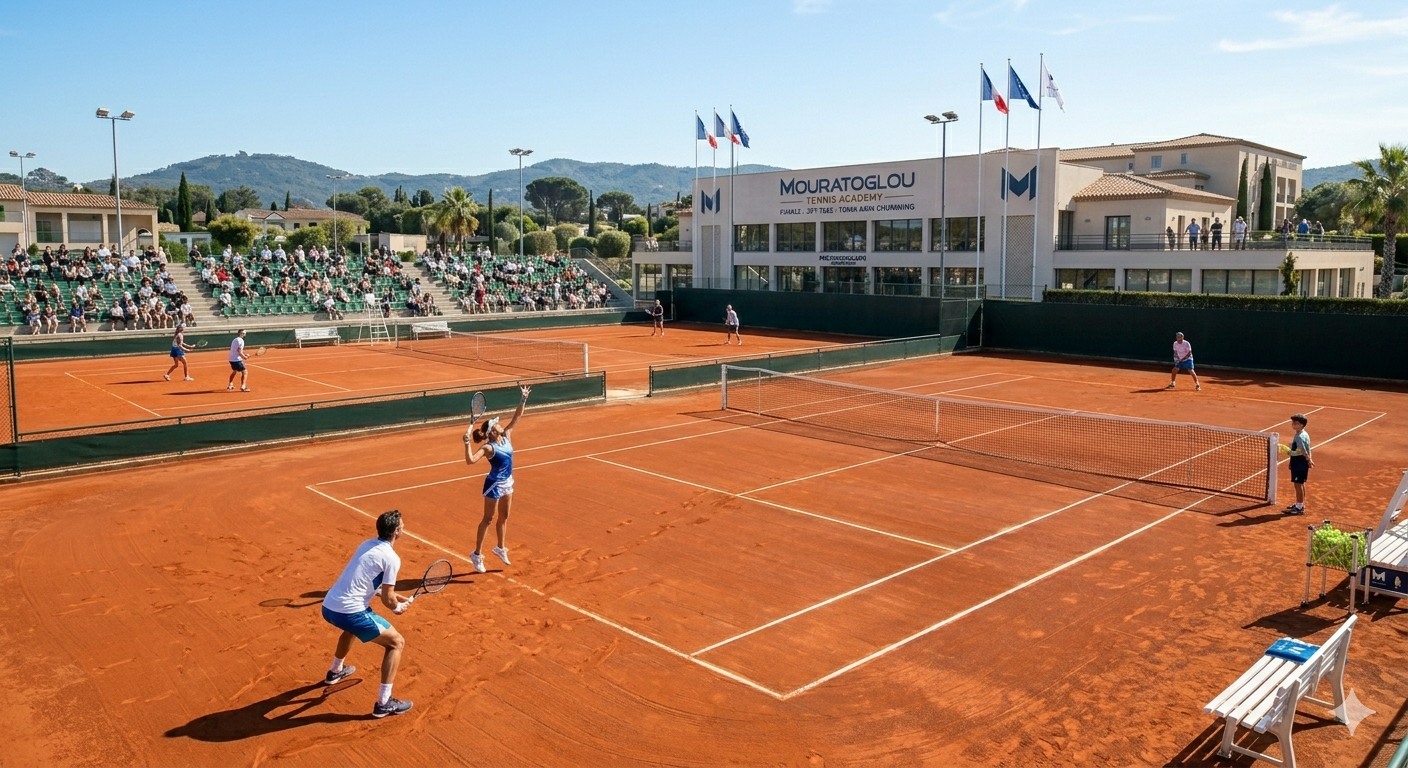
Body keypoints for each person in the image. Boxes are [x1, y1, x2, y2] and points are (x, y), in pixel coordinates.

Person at [320, 509, 414, 718]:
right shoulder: (391, 558)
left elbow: (365, 581)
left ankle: (335, 671)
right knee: (396, 642)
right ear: (397, 531)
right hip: (349, 612)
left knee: (351, 629)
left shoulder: (366, 544)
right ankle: (384, 703)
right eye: (403, 526)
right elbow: (388, 600)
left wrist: (389, 594)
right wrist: (397, 607)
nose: (404, 528)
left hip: (329, 607)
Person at [463, 385, 532, 574]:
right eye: (497, 424)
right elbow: (470, 461)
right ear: (492, 431)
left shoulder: (507, 435)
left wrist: (523, 399)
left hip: (508, 482)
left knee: (504, 517)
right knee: (488, 519)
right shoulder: (488, 448)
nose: (501, 424)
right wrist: (467, 444)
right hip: (494, 485)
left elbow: (517, 416)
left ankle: (500, 548)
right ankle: (476, 554)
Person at [1282, 414, 1313, 516]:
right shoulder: (1304, 434)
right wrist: (1308, 460)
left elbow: (1303, 450)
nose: (1293, 425)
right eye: (1293, 423)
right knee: (1301, 483)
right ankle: (1300, 504)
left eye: (1296, 423)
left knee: (1298, 485)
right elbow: (1307, 448)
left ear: (1302, 425)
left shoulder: (1299, 436)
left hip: (1299, 462)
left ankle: (1299, 507)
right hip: (1300, 462)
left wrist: (1289, 452)